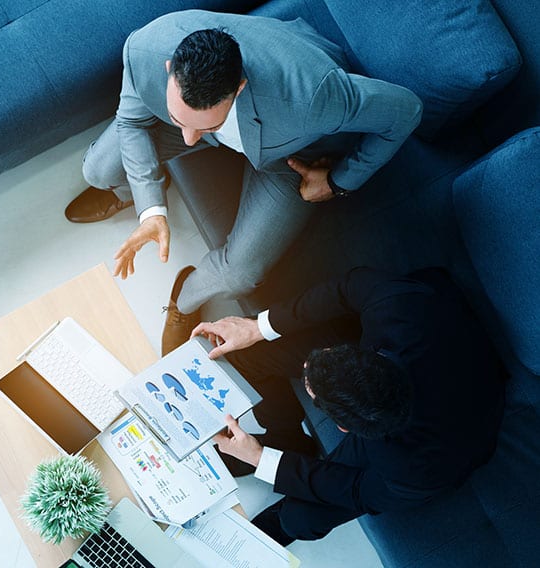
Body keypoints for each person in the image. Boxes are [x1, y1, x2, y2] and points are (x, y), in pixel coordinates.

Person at [69, 11, 423, 354]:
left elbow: (405, 109)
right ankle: (142, 191)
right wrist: (151, 210)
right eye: (180, 119)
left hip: (288, 153)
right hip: (226, 128)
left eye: (204, 126)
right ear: (168, 69)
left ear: (238, 89)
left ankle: (185, 298)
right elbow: (132, 124)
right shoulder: (145, 50)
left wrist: (339, 180)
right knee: (98, 171)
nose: (188, 140)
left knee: (241, 274)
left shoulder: (315, 96)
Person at [191, 267, 506, 546]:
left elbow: (356, 491)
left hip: (459, 422)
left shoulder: (413, 469)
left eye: (310, 389)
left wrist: (261, 460)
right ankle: (287, 437)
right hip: (434, 337)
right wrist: (256, 327)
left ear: (345, 428)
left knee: (304, 517)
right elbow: (348, 287)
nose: (303, 366)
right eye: (326, 354)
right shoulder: (396, 305)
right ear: (365, 353)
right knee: (247, 353)